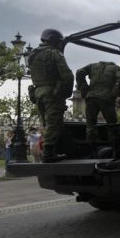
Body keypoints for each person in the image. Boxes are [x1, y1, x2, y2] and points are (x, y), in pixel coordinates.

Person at [28, 28, 74, 163]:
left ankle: (49, 151)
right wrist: (65, 93)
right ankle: (48, 153)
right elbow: (67, 76)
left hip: (38, 93)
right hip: (52, 93)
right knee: (54, 123)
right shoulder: (54, 53)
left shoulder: (32, 55)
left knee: (46, 123)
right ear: (54, 40)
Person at [75, 60, 120, 145]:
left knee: (90, 126)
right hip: (106, 98)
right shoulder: (116, 68)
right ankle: (115, 147)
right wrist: (118, 94)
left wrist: (83, 86)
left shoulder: (92, 66)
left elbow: (79, 72)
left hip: (91, 98)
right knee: (112, 125)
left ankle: (91, 148)